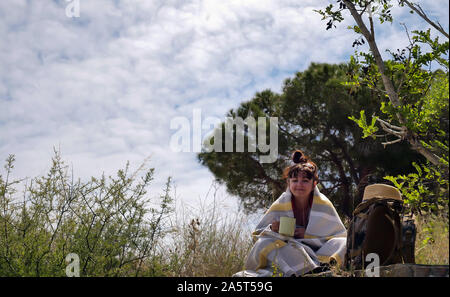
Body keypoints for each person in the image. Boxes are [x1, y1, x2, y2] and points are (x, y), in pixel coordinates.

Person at [234, 150, 347, 277]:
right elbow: (258, 234)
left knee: (343, 242)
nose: (299, 185)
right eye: (294, 181)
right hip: (292, 252)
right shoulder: (281, 203)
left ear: (314, 184)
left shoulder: (324, 204)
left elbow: (338, 234)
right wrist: (272, 228)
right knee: (265, 242)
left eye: (305, 181)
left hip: (319, 252)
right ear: (288, 183)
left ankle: (324, 267)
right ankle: (308, 270)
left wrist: (308, 235)